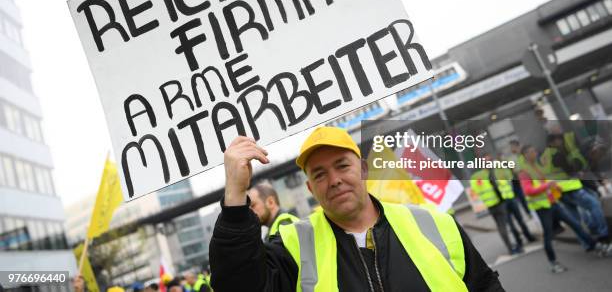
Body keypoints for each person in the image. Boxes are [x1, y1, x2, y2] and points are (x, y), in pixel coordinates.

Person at [210, 126, 504, 291]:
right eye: (320, 174)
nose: (335, 180)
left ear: (363, 170)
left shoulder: (437, 224)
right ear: (311, 188)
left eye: (342, 166)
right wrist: (236, 193)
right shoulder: (291, 246)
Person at [518, 144, 603, 273]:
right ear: (525, 155)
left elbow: (544, 182)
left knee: (575, 224)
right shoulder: (524, 172)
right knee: (548, 235)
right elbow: (527, 190)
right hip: (542, 208)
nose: (535, 153)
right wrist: (547, 185)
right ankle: (553, 263)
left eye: (535, 150)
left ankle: (594, 245)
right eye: (532, 151)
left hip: (553, 204)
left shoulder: (538, 166)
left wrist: (554, 187)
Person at [541, 133, 610, 245]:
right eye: (558, 140)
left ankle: (586, 242)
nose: (561, 142)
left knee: (575, 216)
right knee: (593, 205)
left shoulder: (545, 156)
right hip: (570, 187)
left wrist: (600, 182)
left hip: (558, 190)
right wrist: (597, 186)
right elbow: (574, 172)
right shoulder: (559, 154)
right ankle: (602, 234)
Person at [470, 152, 526, 254]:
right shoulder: (491, 173)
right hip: (499, 202)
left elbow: (475, 191)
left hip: (490, 205)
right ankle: (511, 248)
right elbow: (499, 184)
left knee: (502, 226)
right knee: (505, 226)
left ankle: (511, 246)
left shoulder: (475, 177)